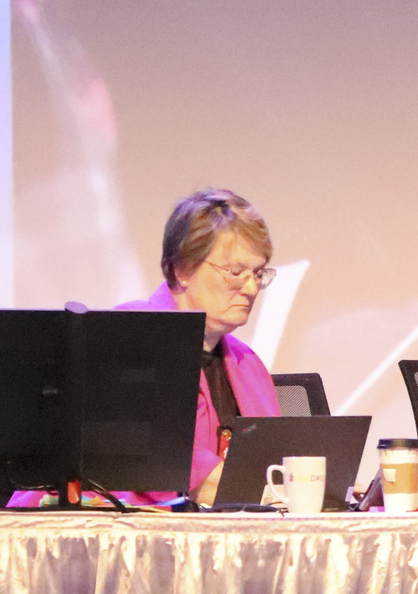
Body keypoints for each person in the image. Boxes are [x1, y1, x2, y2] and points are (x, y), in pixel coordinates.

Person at [8, 188, 281, 507]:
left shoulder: (248, 363)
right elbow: (175, 470)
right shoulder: (132, 337)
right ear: (182, 269)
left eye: (258, 274)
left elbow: (274, 464)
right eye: (235, 272)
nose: (250, 288)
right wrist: (282, 490)